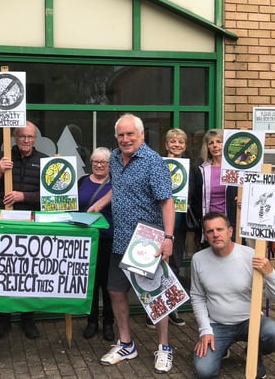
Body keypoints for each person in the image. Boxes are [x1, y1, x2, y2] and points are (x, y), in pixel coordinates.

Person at [89, 113, 176, 374]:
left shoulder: (153, 162)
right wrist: (98, 205)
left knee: (155, 297)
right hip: (121, 238)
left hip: (148, 241)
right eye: (121, 135)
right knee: (115, 291)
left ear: (141, 135)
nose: (125, 139)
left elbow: (167, 201)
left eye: (130, 134)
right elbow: (118, 187)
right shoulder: (115, 157)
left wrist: (168, 238)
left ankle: (164, 347)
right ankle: (126, 343)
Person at [190, 211, 275, 379]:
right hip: (217, 325)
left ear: (230, 231)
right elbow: (197, 297)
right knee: (204, 371)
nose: (216, 234)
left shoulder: (250, 255)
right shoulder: (198, 259)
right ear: (205, 235)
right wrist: (205, 330)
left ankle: (253, 354)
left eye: (220, 229)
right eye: (210, 231)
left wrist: (270, 273)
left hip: (249, 321)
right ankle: (222, 348)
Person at [0, 121, 47, 339]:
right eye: (22, 137)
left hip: (30, 224)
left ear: (35, 138)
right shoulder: (2, 157)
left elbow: (51, 198)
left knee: (29, 272)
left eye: (30, 137)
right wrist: (0, 172)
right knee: (3, 271)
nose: (26, 141)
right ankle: (3, 319)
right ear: (15, 137)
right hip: (4, 225)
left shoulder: (44, 160)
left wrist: (24, 196)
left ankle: (28, 318)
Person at [147, 128, 202, 328]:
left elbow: (196, 195)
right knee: (154, 267)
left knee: (175, 266)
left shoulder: (192, 169)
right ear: (166, 144)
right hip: (157, 222)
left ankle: (171, 309)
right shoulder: (156, 165)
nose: (176, 145)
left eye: (180, 142)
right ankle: (153, 310)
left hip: (178, 225)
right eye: (173, 141)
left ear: (185, 146)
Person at [78, 147, 115, 341]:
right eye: (96, 162)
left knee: (108, 284)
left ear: (110, 165)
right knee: (89, 283)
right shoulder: (82, 182)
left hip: (109, 239)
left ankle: (109, 322)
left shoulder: (116, 184)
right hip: (86, 239)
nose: (99, 165)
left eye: (104, 162)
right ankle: (91, 321)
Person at [198, 129, 238, 246]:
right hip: (209, 223)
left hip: (230, 222)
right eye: (211, 143)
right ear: (207, 147)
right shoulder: (201, 170)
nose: (215, 146)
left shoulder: (236, 168)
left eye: (219, 142)